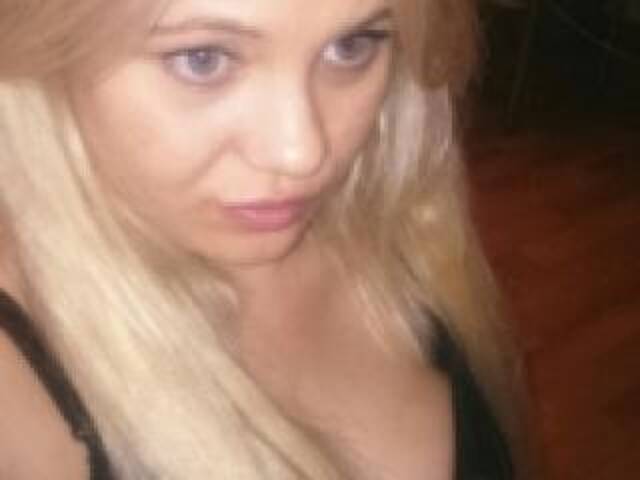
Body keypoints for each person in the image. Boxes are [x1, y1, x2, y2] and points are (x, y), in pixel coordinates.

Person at [0, 0, 531, 478]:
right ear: (42, 48)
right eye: (203, 58)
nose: (301, 154)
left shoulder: (389, 207)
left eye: (351, 46)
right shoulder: (18, 386)